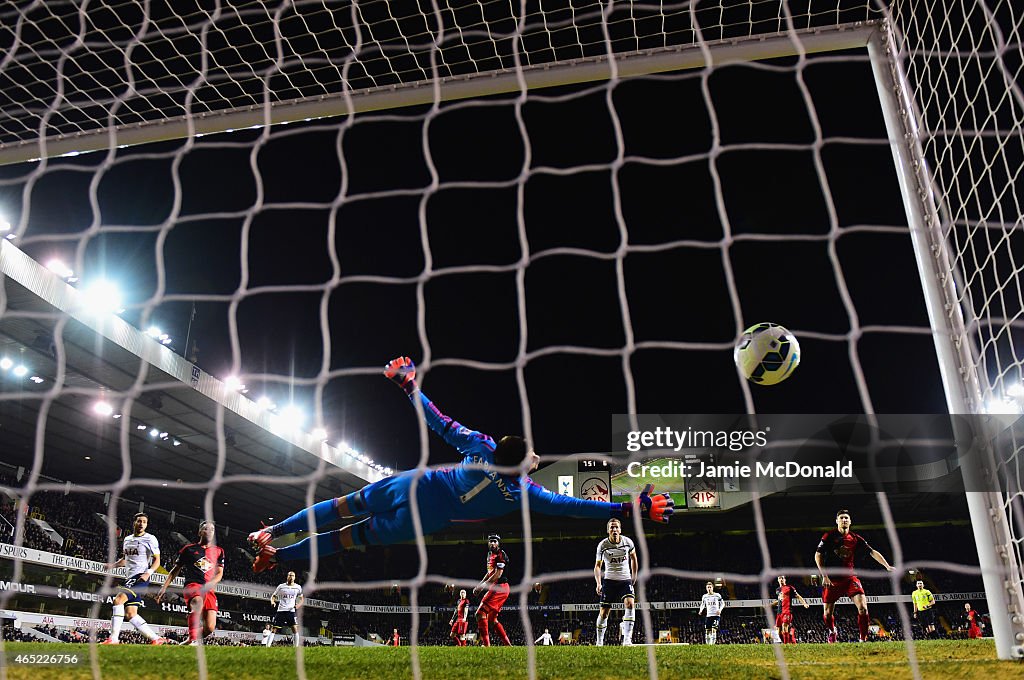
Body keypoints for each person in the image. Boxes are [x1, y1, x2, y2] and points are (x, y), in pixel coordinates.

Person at [247, 356, 673, 572]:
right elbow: (574, 507)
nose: (537, 458)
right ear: (523, 465)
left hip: (411, 486)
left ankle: (271, 532)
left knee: (344, 506)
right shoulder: (525, 492)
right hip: (423, 520)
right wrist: (628, 508)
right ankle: (278, 558)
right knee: (345, 539)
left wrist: (410, 385)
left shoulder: (483, 447)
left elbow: (439, 420)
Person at [815, 509, 895, 643]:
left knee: (863, 608)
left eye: (846, 518)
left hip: (849, 578)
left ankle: (863, 638)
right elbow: (818, 555)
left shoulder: (855, 538)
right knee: (827, 614)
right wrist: (825, 576)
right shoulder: (828, 536)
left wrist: (887, 566)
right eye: (841, 518)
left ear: (850, 521)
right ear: (837, 521)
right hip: (832, 580)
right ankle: (832, 631)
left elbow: (872, 551)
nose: (844, 520)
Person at [101, 512, 167, 645]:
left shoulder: (150, 539)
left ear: (146, 524)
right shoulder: (127, 539)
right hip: (129, 578)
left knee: (118, 600)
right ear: (134, 523)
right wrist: (112, 566)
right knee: (131, 614)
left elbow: (157, 560)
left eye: (144, 522)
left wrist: (148, 573)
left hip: (140, 578)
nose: (142, 523)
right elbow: (125, 560)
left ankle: (113, 639)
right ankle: (156, 638)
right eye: (139, 521)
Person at [155, 520, 225, 645]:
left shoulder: (219, 551)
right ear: (200, 532)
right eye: (206, 529)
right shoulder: (189, 549)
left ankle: (188, 641)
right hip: (193, 585)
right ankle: (193, 638)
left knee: (210, 628)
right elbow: (175, 570)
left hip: (209, 589)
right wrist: (164, 587)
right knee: (197, 602)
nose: (209, 531)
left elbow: (219, 573)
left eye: (212, 530)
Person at [594, 518, 638, 646]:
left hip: (625, 579)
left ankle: (627, 640)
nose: (614, 529)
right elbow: (597, 566)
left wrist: (634, 576)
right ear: (608, 530)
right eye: (612, 527)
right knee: (604, 612)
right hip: (609, 581)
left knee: (630, 604)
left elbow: (634, 559)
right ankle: (599, 642)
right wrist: (598, 583)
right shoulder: (603, 545)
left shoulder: (628, 542)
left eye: (616, 527)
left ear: (620, 529)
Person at [474, 534, 512, 646]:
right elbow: (489, 572)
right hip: (498, 587)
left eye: (495, 541)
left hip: (500, 587)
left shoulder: (501, 554)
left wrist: (483, 586)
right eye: (490, 541)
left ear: (498, 543)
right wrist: (480, 584)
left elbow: (498, 574)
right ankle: (508, 645)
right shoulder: (489, 555)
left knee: (480, 613)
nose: (492, 543)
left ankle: (486, 646)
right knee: (492, 620)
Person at [268, 571, 304, 647]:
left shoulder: (298, 587)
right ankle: (267, 647)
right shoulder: (281, 586)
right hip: (281, 610)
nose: (291, 577)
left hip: (291, 611)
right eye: (289, 575)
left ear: (295, 577)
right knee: (274, 629)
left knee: (295, 629)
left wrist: (299, 605)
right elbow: (273, 596)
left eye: (293, 575)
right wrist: (272, 601)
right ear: (287, 577)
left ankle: (296, 647)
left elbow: (301, 599)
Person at [770, 575, 808, 645]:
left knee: (785, 626)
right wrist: (770, 605)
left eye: (782, 578)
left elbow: (798, 596)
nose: (781, 579)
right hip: (779, 612)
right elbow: (779, 600)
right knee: (778, 631)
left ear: (785, 580)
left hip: (787, 610)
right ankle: (786, 641)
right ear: (778, 580)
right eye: (779, 578)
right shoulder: (777, 590)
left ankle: (786, 644)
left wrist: (804, 603)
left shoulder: (790, 587)